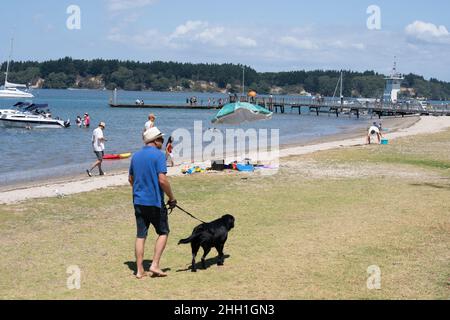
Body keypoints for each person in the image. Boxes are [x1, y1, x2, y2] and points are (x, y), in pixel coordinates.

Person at [129, 127, 177, 279]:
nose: (163, 142)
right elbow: (162, 180)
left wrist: (140, 189)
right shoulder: (159, 155)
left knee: (140, 235)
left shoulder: (135, 156)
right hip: (154, 202)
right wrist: (172, 198)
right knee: (163, 232)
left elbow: (131, 179)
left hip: (138, 201)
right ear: (155, 140)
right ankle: (154, 265)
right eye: (161, 139)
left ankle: (139, 270)